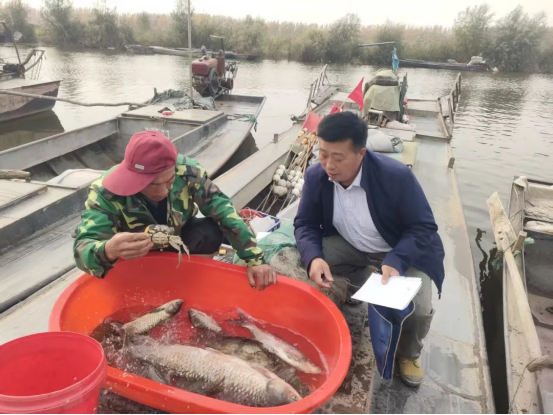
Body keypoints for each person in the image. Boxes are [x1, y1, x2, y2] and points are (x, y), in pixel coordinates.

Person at [294, 111, 445, 387]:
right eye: (323, 154)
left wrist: (397, 260)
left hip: (399, 250)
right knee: (307, 260)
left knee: (418, 309)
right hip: (351, 244)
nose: (329, 165)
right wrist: (313, 258)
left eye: (338, 158)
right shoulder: (316, 176)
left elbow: (423, 227)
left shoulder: (395, 177)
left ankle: (408, 354)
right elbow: (305, 224)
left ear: (361, 153)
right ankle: (358, 283)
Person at [73, 131, 277, 290]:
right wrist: (108, 250)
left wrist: (254, 260)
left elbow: (223, 211)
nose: (163, 191)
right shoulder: (106, 192)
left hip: (176, 242)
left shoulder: (189, 171)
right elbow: (82, 249)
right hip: (134, 256)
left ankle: (189, 279)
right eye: (153, 184)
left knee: (209, 230)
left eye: (170, 181)